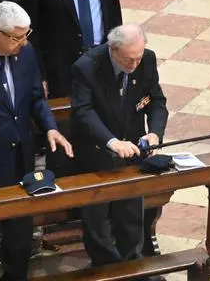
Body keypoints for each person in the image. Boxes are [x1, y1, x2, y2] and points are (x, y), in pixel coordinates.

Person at [0, 2, 72, 281]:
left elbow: (34, 98)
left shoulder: (25, 52)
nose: (24, 42)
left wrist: (50, 127)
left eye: (26, 35)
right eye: (18, 37)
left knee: (19, 243)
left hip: (22, 163)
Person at [71, 24, 168, 267]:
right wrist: (111, 141)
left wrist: (155, 133)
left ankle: (131, 265)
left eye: (138, 58)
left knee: (131, 214)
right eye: (128, 59)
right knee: (98, 221)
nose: (134, 65)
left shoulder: (146, 59)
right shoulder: (87, 67)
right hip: (96, 153)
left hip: (133, 149)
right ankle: (106, 269)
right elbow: (83, 112)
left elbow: (156, 101)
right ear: (113, 50)